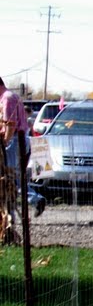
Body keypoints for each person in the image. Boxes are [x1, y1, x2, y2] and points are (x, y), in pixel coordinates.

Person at [0, 75, 26, 242]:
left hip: (14, 141)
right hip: (16, 141)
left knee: (7, 179)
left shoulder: (7, 98)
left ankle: (9, 225)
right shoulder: (8, 97)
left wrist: (4, 143)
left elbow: (11, 124)